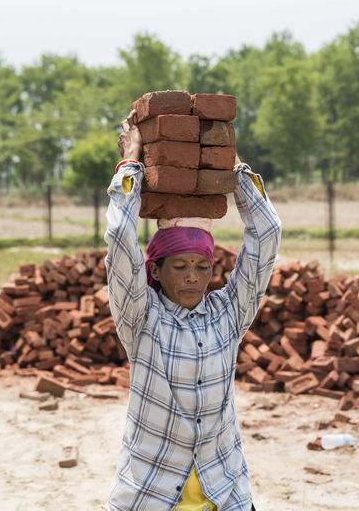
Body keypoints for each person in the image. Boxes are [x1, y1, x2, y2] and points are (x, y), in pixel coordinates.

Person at [103, 111, 281, 511]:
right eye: (179, 267)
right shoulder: (141, 317)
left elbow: (267, 234)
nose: (192, 279)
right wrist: (131, 163)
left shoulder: (228, 314)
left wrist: (230, 167)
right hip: (152, 495)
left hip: (226, 494)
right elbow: (118, 237)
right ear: (155, 270)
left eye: (202, 267)